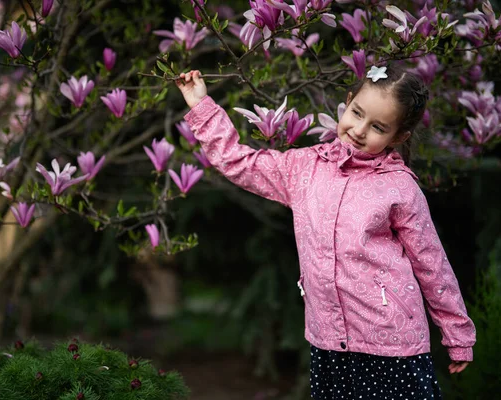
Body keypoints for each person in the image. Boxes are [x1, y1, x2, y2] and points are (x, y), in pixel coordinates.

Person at [176, 64, 475, 400]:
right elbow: (239, 162)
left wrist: (457, 334)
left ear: (399, 137)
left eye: (378, 126)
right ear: (347, 103)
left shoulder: (399, 188)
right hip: (328, 339)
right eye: (357, 113)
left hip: (392, 343)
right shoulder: (302, 168)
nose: (360, 130)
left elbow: (431, 264)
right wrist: (201, 106)